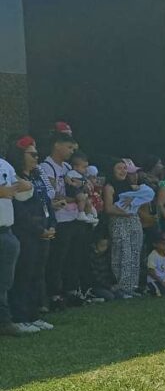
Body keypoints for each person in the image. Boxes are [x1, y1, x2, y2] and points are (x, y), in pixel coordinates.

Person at [7, 136, 53, 334]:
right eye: (32, 154)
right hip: (26, 233)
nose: (36, 157)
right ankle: (21, 316)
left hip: (44, 230)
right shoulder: (14, 178)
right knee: (23, 276)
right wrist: (38, 230)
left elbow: (46, 202)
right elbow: (19, 211)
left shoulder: (37, 175)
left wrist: (52, 224)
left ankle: (34, 315)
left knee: (36, 275)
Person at [41, 131, 90, 309]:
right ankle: (54, 293)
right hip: (60, 220)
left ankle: (71, 290)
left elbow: (79, 188)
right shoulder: (47, 167)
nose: (71, 151)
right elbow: (55, 196)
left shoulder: (68, 167)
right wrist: (75, 197)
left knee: (74, 257)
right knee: (58, 258)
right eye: (68, 147)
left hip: (74, 216)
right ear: (57, 145)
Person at [102, 159, 145, 297]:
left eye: (124, 168)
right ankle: (120, 286)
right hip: (119, 221)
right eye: (119, 168)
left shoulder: (130, 186)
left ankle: (132, 286)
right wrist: (125, 212)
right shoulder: (109, 187)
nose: (123, 171)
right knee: (122, 252)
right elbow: (108, 208)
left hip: (133, 221)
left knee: (135, 252)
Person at [66, 151, 99, 225]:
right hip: (74, 192)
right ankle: (81, 213)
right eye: (84, 167)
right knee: (82, 197)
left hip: (81, 192)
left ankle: (89, 215)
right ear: (75, 167)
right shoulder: (72, 173)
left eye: (87, 167)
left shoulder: (83, 175)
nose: (86, 169)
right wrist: (71, 183)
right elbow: (67, 178)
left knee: (89, 201)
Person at [146, 232, 165, 297]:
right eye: (162, 243)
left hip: (164, 280)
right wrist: (162, 282)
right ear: (155, 244)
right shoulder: (153, 255)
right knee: (161, 292)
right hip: (155, 280)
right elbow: (151, 272)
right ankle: (148, 289)